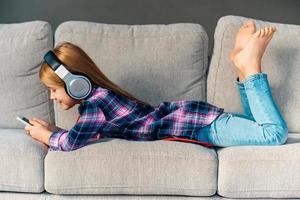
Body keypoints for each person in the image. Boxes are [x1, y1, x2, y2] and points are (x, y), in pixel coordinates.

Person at [25, 21, 288, 151]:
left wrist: (46, 136)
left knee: (273, 134)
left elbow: (71, 143)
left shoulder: (94, 105)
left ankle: (251, 67)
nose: (51, 97)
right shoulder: (99, 100)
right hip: (197, 119)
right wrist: (53, 129)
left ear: (77, 84)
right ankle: (242, 69)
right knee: (259, 123)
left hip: (201, 127)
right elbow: (86, 134)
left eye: (53, 89)